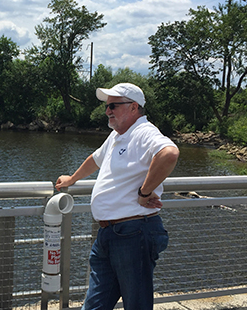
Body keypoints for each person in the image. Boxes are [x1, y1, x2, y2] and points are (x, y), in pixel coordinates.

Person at [55, 83, 179, 310]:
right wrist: (72, 179)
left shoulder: (144, 132)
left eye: (113, 105)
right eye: (106, 106)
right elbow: (95, 158)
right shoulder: (117, 135)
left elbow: (169, 154)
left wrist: (144, 192)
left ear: (133, 108)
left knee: (136, 305)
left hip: (133, 233)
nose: (107, 111)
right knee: (94, 306)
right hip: (108, 234)